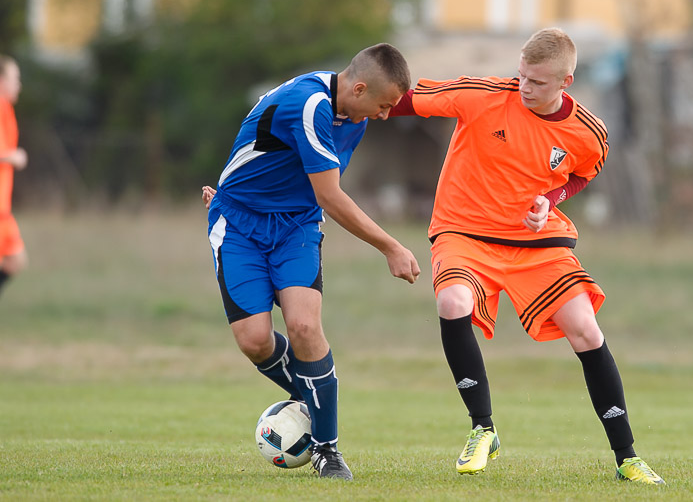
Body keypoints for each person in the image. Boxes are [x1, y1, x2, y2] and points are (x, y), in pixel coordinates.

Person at [389, 28, 665, 484]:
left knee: (586, 329)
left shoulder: (589, 132)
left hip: (536, 245)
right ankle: (483, 429)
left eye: (536, 82)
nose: (524, 87)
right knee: (452, 302)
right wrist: (335, 101)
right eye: (521, 76)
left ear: (565, 82)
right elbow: (397, 100)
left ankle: (627, 457)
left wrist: (549, 200)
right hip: (465, 233)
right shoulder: (482, 95)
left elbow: (582, 172)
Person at [204, 43, 420, 480]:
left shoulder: (354, 114)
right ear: (359, 88)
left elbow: (305, 184)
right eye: (382, 105)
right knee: (254, 340)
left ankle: (327, 448)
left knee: (304, 326)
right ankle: (319, 396)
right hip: (239, 225)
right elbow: (330, 195)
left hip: (296, 227)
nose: (383, 116)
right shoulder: (310, 105)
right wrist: (391, 246)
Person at [0, 54, 28, 298]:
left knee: (16, 261)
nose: (18, 84)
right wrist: (12, 157)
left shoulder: (6, 110)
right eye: (14, 78)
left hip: (4, 212)